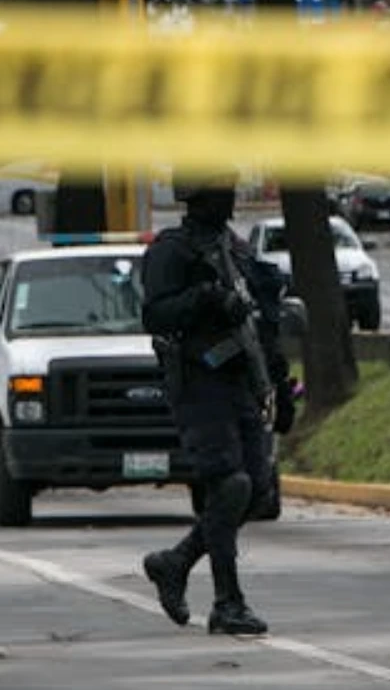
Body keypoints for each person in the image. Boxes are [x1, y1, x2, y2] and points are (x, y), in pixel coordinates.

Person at [140, 168, 295, 636]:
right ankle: (228, 603)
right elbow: (155, 314)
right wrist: (205, 300)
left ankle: (177, 561)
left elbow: (262, 325)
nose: (228, 199)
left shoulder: (238, 249)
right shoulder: (173, 250)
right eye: (219, 191)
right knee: (229, 485)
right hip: (200, 383)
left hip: (241, 382)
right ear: (196, 196)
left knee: (258, 490)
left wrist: (280, 384)